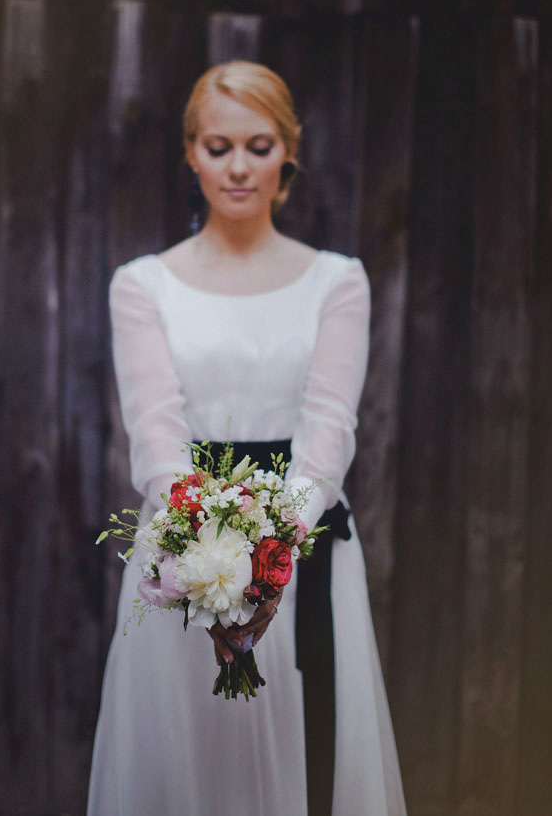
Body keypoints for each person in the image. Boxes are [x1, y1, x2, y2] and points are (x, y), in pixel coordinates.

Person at [87, 60, 407, 816]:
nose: (238, 167)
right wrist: (207, 551)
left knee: (302, 758)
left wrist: (266, 562)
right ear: (192, 152)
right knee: (187, 760)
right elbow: (156, 429)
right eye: (219, 146)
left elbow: (329, 425)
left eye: (258, 146)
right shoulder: (144, 284)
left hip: (299, 551)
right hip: (188, 554)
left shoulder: (336, 280)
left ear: (287, 153)